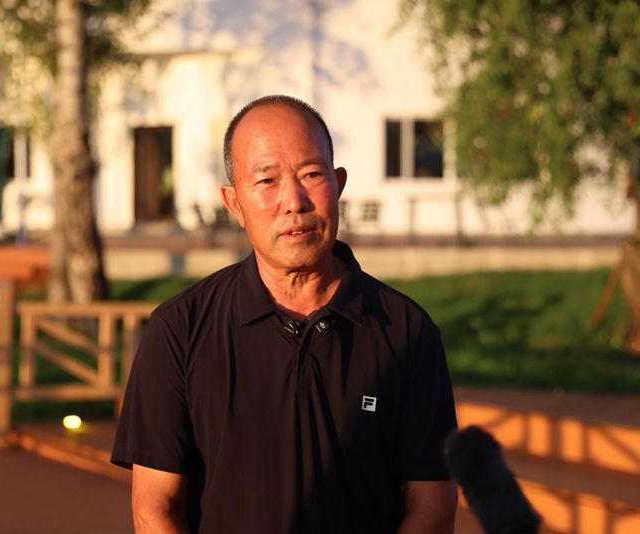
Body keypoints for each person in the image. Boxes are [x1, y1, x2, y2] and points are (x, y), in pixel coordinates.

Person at [111, 95, 458, 533]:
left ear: (338, 184)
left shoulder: (406, 332)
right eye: (267, 180)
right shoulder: (181, 329)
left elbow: (433, 507)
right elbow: (154, 509)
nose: (294, 201)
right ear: (233, 203)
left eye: (312, 174)